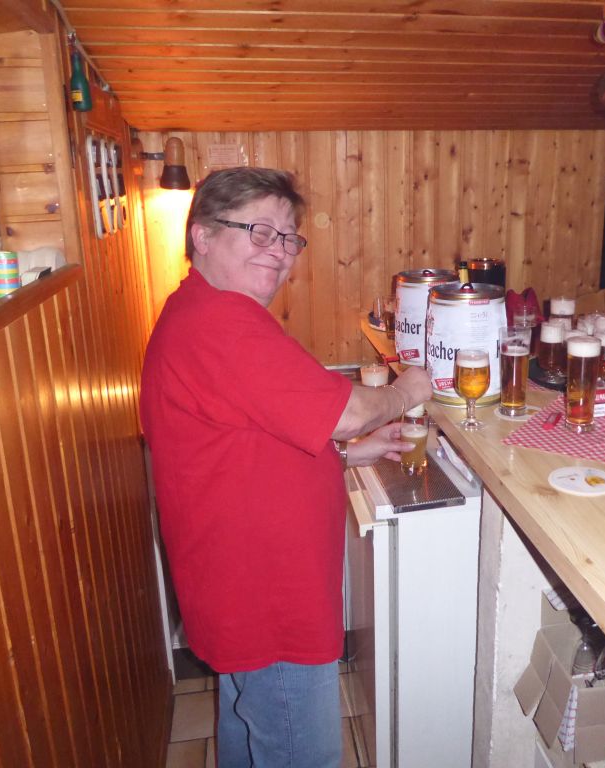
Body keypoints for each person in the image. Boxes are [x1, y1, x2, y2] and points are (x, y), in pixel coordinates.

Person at [140, 167, 432, 767]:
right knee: (300, 752)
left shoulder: (199, 310)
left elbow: (244, 443)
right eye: (258, 231)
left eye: (288, 238)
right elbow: (348, 412)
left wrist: (349, 453)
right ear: (201, 235)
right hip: (268, 594)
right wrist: (406, 389)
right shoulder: (222, 323)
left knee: (251, 734)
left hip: (237, 585)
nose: (278, 251)